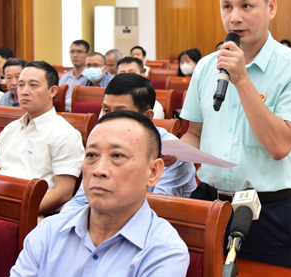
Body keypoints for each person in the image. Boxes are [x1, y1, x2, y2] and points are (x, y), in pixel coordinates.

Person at [180, 0, 291, 268]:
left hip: (266, 210)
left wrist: (242, 79)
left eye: (246, 6)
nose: (234, 17)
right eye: (226, 6)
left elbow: (280, 146)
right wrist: (171, 152)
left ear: (271, 7)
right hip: (208, 202)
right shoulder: (206, 67)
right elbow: (195, 134)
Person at [11, 110, 189, 276]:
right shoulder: (49, 232)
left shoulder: (164, 252)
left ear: (153, 172)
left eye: (117, 156)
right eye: (91, 155)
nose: (98, 170)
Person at [60, 73, 197, 214]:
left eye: (121, 112)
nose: (110, 119)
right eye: (106, 110)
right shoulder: (100, 142)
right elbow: (81, 199)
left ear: (147, 117)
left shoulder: (171, 154)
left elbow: (157, 208)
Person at [0, 61, 84, 214]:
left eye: (33, 85)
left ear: (52, 91)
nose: (24, 91)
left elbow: (64, 192)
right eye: (21, 85)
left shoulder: (65, 134)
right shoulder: (10, 129)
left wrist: (19, 212)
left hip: (33, 213)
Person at [59, 40, 91, 111]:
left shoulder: (91, 77)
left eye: (79, 52)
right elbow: (58, 98)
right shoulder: (65, 77)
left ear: (87, 54)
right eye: (72, 52)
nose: (75, 55)